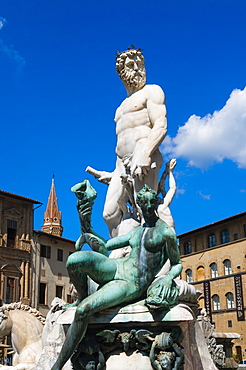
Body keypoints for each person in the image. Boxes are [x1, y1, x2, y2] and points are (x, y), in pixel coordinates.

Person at [50, 184, 182, 370]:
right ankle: (81, 297)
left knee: (83, 311)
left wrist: (167, 278)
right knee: (74, 260)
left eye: (150, 204)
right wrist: (88, 230)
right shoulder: (136, 232)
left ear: (154, 204)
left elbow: (177, 263)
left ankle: (57, 366)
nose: (147, 208)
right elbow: (105, 246)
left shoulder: (165, 233)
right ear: (140, 205)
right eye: (143, 204)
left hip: (131, 282)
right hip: (117, 267)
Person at [87, 47, 167, 237]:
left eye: (140, 64)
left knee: (144, 210)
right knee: (110, 213)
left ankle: (150, 258)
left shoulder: (152, 91)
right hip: (121, 164)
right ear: (122, 72)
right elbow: (122, 144)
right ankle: (122, 254)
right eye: (131, 65)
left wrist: (146, 152)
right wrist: (113, 173)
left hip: (144, 154)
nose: (138, 69)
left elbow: (161, 125)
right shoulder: (119, 109)